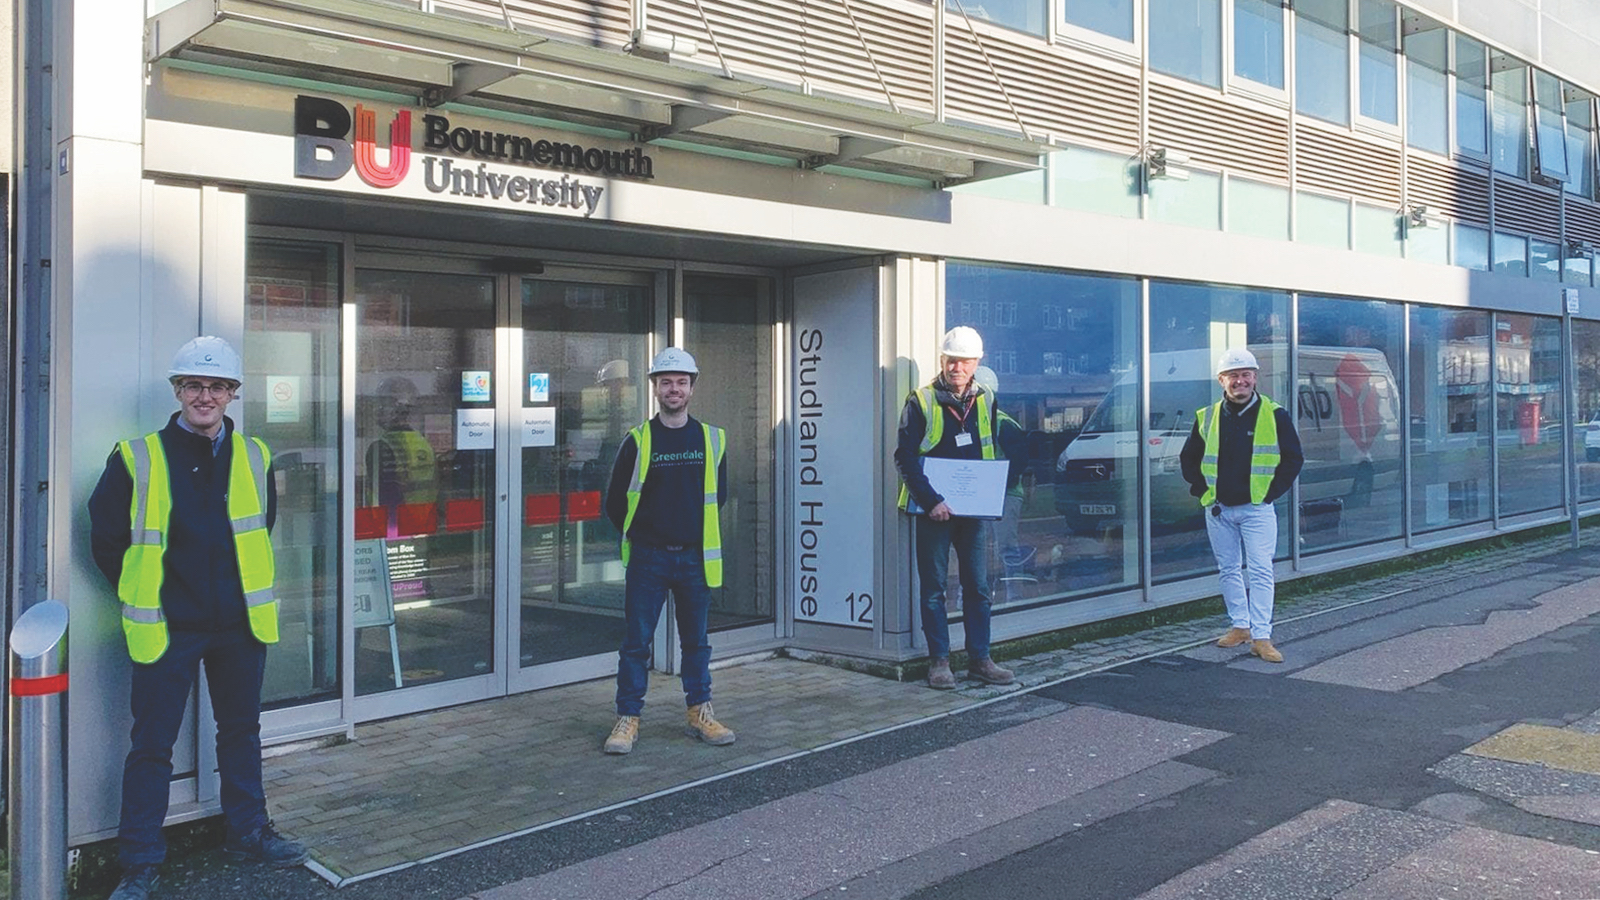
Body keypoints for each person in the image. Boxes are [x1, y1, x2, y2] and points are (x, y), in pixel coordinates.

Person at [88, 337, 307, 900]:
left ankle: (249, 831)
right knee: (151, 746)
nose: (203, 396)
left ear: (232, 394)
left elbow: (262, 527)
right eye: (192, 385)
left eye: (215, 386)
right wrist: (147, 593)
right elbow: (107, 537)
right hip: (168, 626)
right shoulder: (136, 456)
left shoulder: (255, 455)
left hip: (239, 625)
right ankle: (138, 863)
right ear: (177, 392)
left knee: (241, 732)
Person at [601, 347, 733, 754]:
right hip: (649, 558)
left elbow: (719, 496)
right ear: (655, 388)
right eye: (665, 382)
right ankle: (627, 719)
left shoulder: (712, 439)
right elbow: (615, 503)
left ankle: (700, 713)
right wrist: (647, 533)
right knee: (637, 644)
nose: (673, 389)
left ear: (692, 388)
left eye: (680, 382)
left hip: (694, 557)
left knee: (697, 643)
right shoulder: (638, 440)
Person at [894, 326, 1015, 690]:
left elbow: (988, 448)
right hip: (934, 512)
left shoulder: (987, 398)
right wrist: (932, 501)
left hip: (973, 511)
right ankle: (940, 663)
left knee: (977, 586)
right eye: (951, 359)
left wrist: (992, 492)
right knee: (934, 589)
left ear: (977, 362)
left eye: (964, 360)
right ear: (942, 360)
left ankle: (980, 659)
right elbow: (904, 457)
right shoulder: (921, 400)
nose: (956, 367)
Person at [1178, 347, 1304, 664]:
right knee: (1229, 569)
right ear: (1222, 381)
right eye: (1233, 376)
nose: (1240, 381)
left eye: (1246, 374)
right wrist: (1203, 492)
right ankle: (1240, 626)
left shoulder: (1275, 414)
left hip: (1256, 508)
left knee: (1261, 571)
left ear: (1255, 377)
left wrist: (1270, 493)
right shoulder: (1206, 417)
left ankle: (1262, 636)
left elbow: (1293, 459)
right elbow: (1188, 458)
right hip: (1219, 509)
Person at [366, 375, 439, 534]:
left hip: (391, 528)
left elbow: (387, 496)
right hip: (422, 524)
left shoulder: (381, 448)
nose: (377, 410)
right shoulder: (425, 444)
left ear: (393, 409)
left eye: (382, 405)